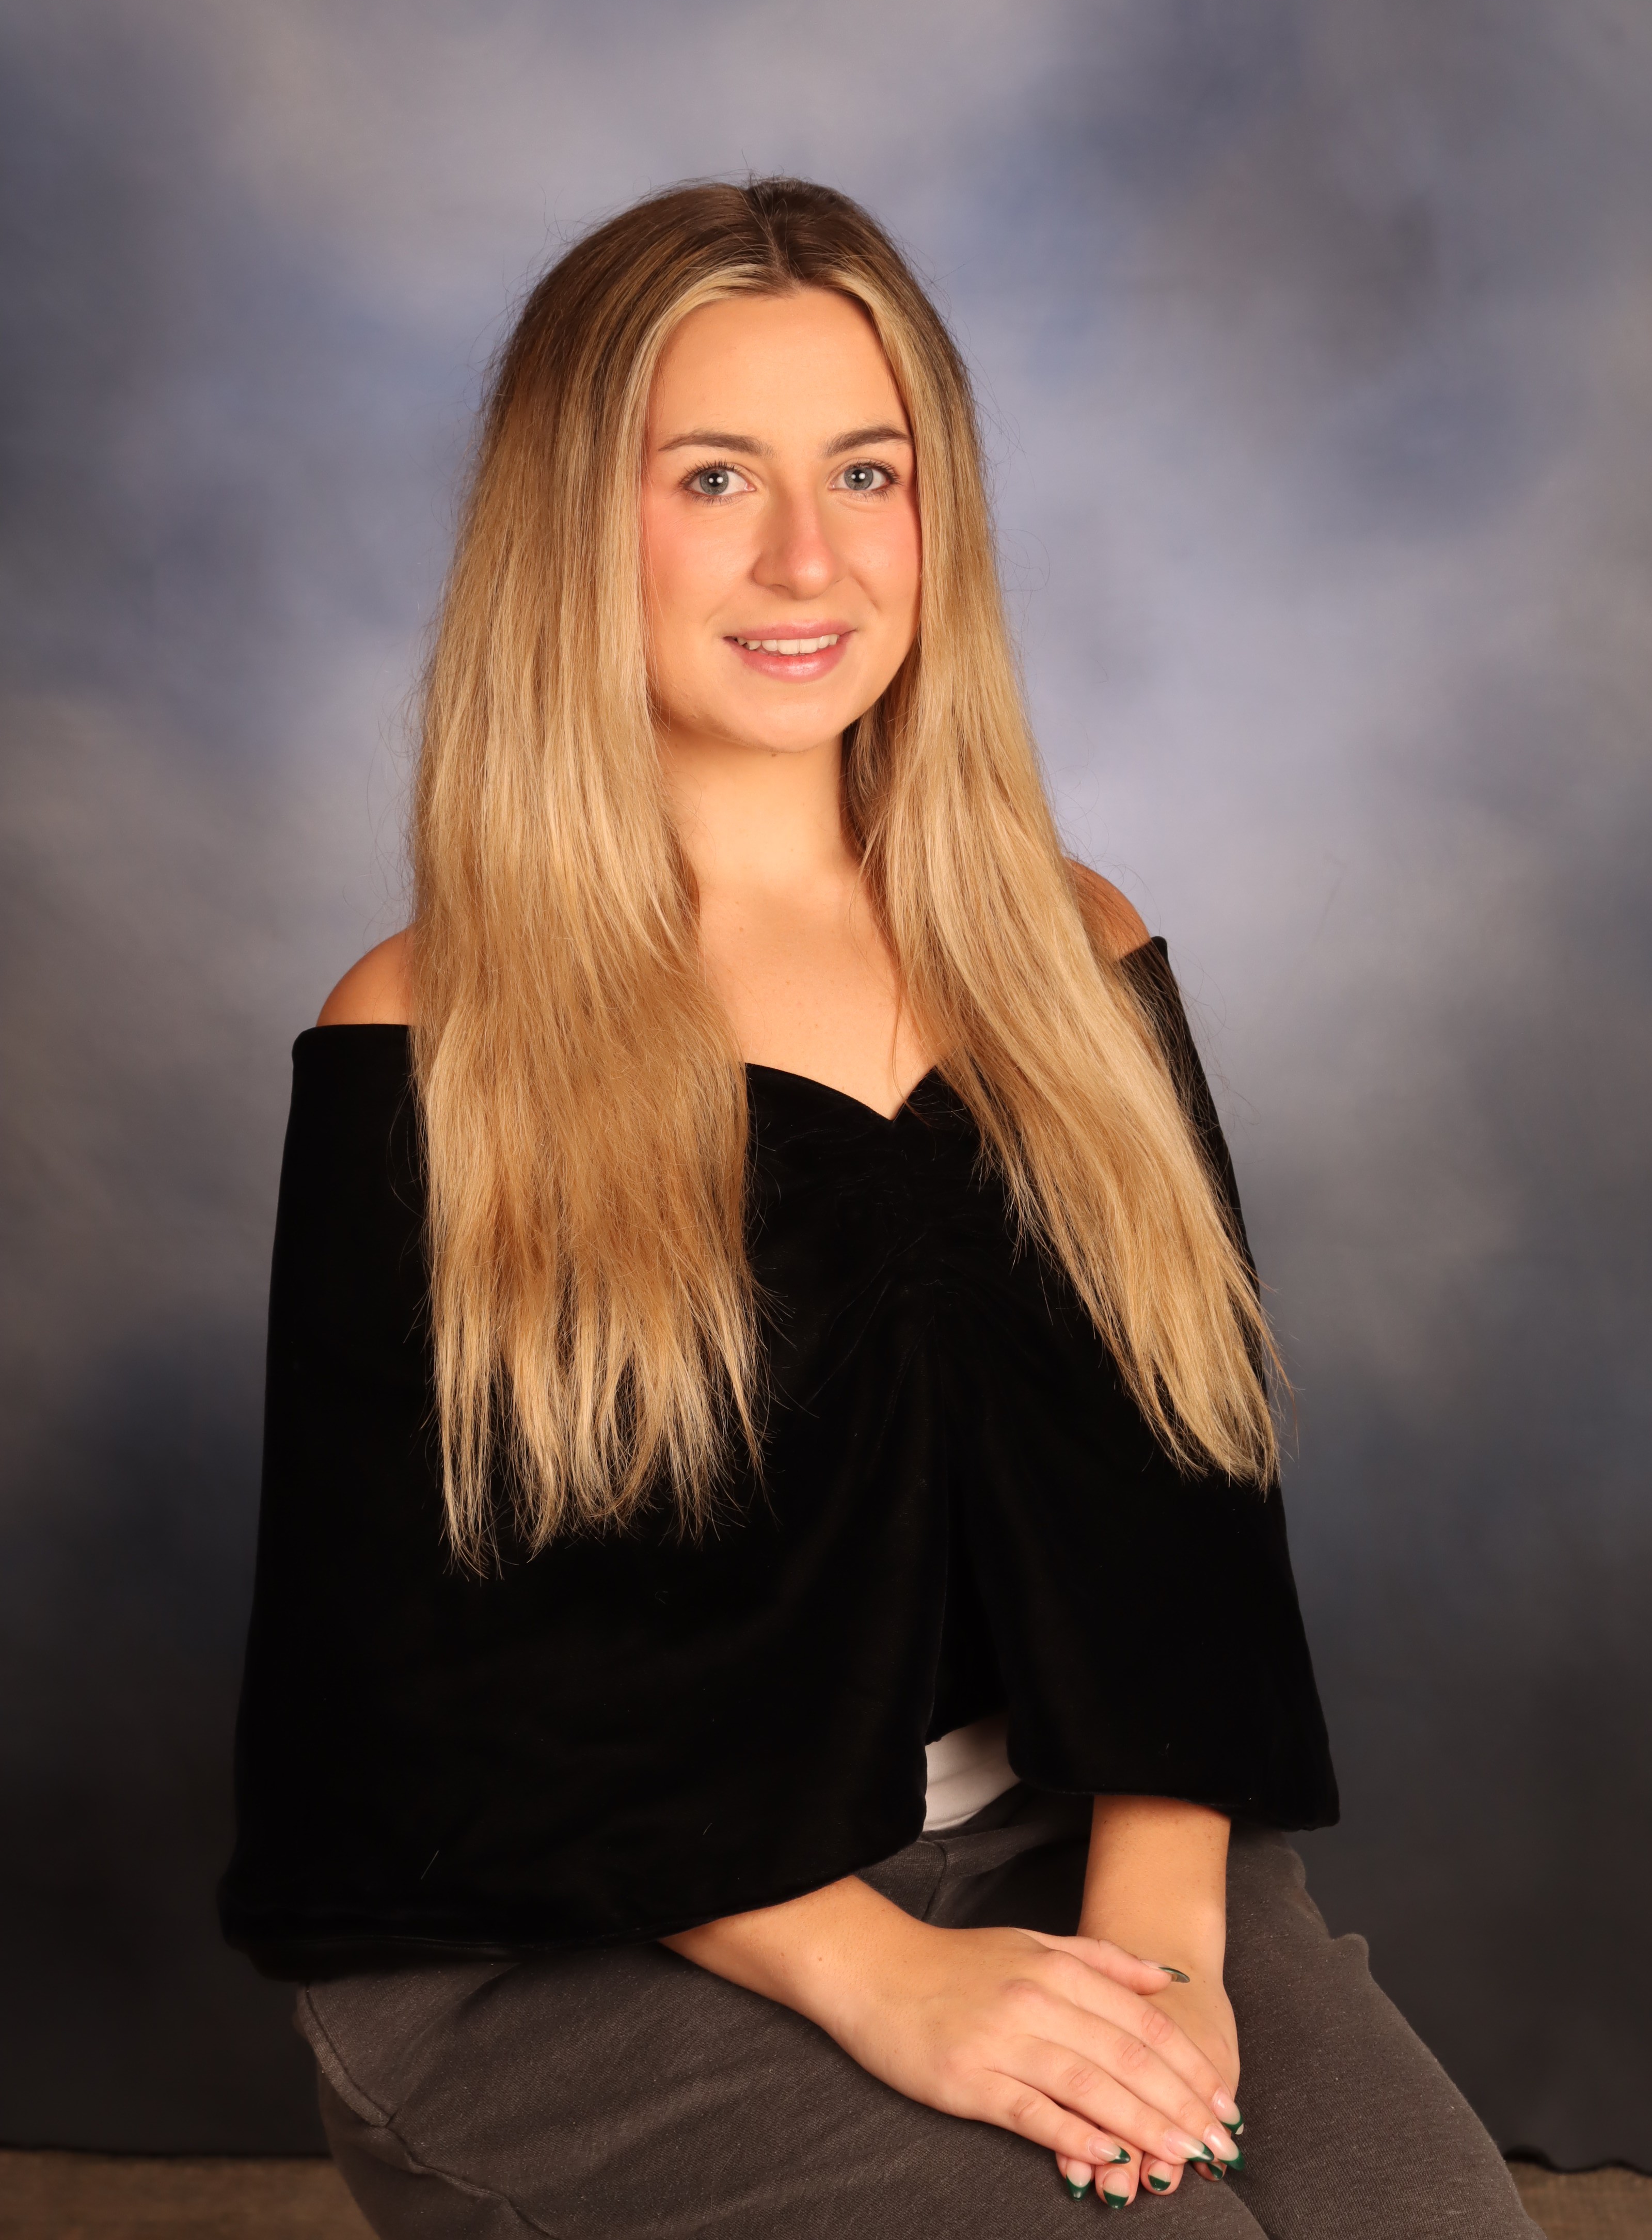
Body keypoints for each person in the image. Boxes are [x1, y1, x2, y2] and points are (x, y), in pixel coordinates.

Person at [220, 178, 1535, 2236]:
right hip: (578, 1929)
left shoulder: (1068, 948)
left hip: (1050, 1847)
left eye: (866, 471)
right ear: (572, 526)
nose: (807, 558)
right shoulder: (429, 1031)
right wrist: (886, 1981)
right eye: (713, 478)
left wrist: (1162, 1949)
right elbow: (426, 1690)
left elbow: (1181, 1514)